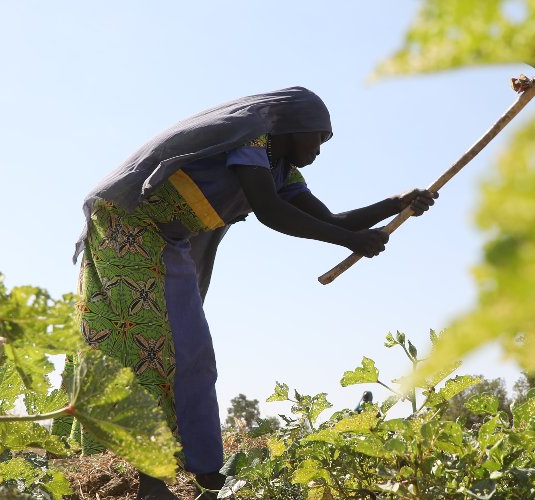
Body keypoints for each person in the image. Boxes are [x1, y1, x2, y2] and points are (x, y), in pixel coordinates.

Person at [73, 87, 435, 497]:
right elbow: (270, 212)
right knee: (159, 346)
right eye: (317, 136)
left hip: (167, 239)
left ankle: (205, 468)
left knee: (191, 349)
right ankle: (151, 483)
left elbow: (332, 219)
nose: (319, 149)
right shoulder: (250, 142)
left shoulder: (282, 170)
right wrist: (348, 242)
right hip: (126, 225)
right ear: (293, 128)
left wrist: (397, 203)